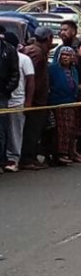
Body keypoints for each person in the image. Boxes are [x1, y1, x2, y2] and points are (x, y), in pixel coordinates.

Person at [19, 27, 52, 170]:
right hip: (34, 99)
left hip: (39, 99)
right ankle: (27, 158)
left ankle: (31, 156)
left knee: (37, 129)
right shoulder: (36, 52)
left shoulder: (40, 51)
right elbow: (31, 79)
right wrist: (29, 99)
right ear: (49, 38)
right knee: (31, 130)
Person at [48, 46, 81, 164]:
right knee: (60, 131)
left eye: (68, 55)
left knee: (72, 130)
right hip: (58, 103)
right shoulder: (52, 69)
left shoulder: (73, 70)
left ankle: (71, 152)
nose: (65, 57)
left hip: (72, 102)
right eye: (63, 54)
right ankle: (59, 154)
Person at [3, 33, 32, 172]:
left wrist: (28, 101)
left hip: (16, 101)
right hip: (3, 102)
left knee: (15, 132)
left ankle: (13, 159)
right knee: (2, 133)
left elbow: (30, 81)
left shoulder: (24, 59)